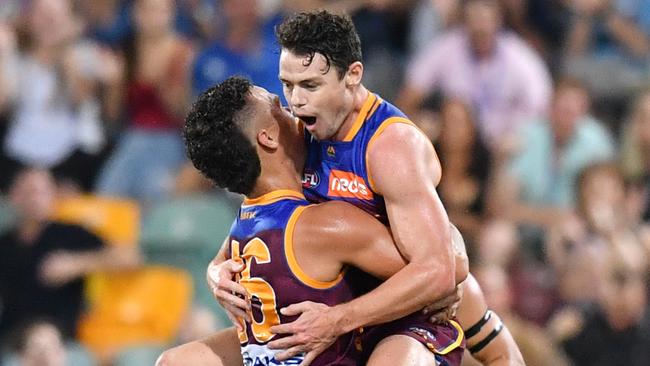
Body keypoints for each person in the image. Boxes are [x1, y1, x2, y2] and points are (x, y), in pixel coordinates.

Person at [203, 10, 522, 364]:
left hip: (407, 309)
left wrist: (338, 319)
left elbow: (443, 269)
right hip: (344, 305)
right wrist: (216, 270)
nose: (295, 101)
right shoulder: (300, 133)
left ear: (353, 75)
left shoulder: (390, 146)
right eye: (287, 84)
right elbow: (258, 220)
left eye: (310, 85)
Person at [160, 77, 466, 365]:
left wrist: (214, 273)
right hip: (356, 340)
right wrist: (448, 237)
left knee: (172, 361)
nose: (293, 108)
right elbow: (440, 270)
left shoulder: (245, 221)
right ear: (267, 136)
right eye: (278, 105)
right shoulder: (326, 224)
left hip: (296, 345)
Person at [0, 168, 140, 345]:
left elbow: (130, 257)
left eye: (43, 191)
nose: (36, 198)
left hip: (58, 332)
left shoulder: (70, 233)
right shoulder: (5, 243)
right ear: (14, 196)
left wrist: (76, 263)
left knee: (43, 338)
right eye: (29, 192)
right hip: (11, 332)